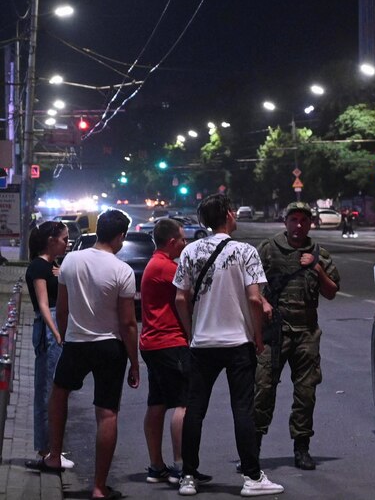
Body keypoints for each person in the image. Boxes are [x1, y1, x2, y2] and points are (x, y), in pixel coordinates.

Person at [173, 194, 283, 497]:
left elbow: (181, 298)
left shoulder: (190, 251)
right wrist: (258, 335)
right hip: (237, 343)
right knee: (242, 410)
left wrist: (191, 331)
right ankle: (252, 478)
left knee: (195, 410)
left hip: (202, 343)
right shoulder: (245, 251)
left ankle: (188, 477)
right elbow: (253, 298)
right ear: (228, 215)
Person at [45, 210, 139, 500]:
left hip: (76, 342)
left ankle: (54, 455)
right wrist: (135, 363)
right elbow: (128, 323)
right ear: (120, 236)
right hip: (109, 346)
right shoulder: (122, 270)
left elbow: (61, 308)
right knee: (107, 412)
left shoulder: (71, 260)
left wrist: (64, 335)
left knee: (60, 392)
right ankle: (99, 487)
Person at [254, 202, 340, 471]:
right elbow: (249, 284)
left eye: (304, 220)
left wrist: (317, 268)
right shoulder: (268, 250)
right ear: (285, 222)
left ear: (311, 224)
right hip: (274, 333)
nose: (299, 225)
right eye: (294, 220)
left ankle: (301, 448)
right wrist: (261, 305)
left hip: (306, 333)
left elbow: (331, 291)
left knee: (306, 393)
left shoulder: (318, 253)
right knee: (263, 390)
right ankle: (252, 450)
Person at [140, 218, 190, 485]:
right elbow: (190, 293)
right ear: (172, 242)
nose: (185, 243)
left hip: (152, 342)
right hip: (170, 341)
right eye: (182, 239)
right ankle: (181, 467)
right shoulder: (167, 267)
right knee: (183, 403)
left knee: (157, 404)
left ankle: (156, 465)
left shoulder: (154, 264)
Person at [23, 221, 74, 471]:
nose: (68, 242)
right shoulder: (38, 266)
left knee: (55, 388)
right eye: (64, 239)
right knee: (47, 390)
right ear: (51, 239)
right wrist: (56, 333)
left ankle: (52, 447)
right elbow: (43, 304)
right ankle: (46, 450)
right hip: (48, 326)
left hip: (56, 324)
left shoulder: (52, 266)